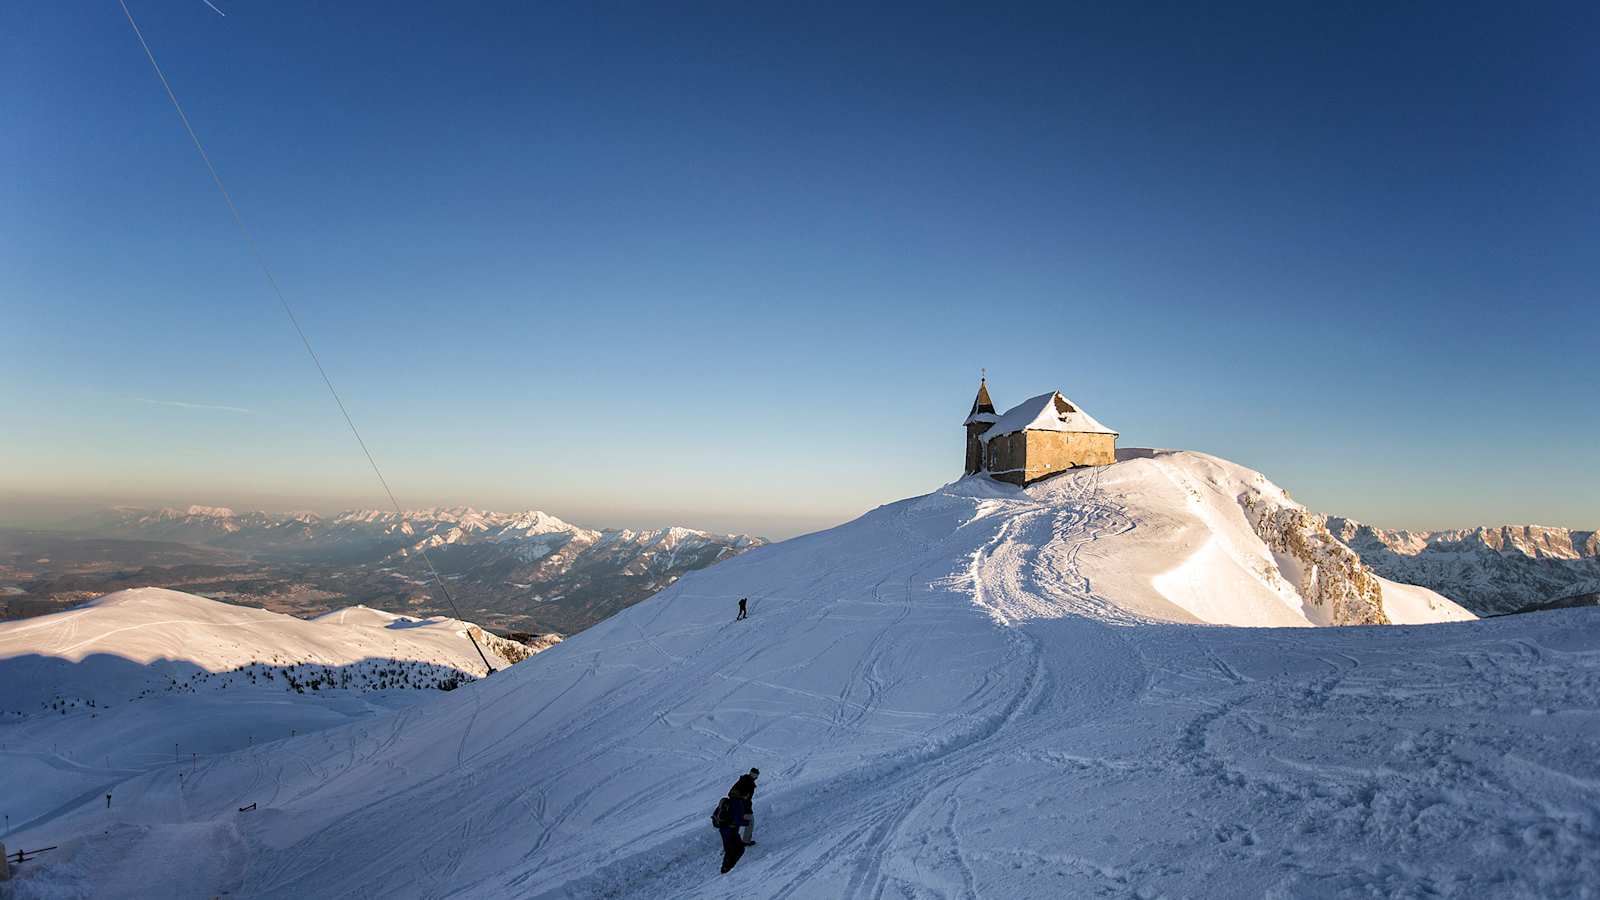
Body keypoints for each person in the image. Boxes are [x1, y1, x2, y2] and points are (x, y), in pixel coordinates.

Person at [716, 789, 754, 873]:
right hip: (731, 830)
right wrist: (747, 822)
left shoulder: (727, 801)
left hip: (723, 829)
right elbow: (737, 820)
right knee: (739, 849)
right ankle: (728, 869)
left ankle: (725, 868)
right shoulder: (738, 804)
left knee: (729, 849)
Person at [729, 767, 759, 845]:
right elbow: (746, 799)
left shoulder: (742, 780)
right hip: (741, 808)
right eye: (756, 775)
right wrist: (748, 810)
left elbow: (730, 793)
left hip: (733, 807)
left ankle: (732, 841)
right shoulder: (749, 784)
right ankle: (745, 841)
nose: (756, 777)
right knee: (750, 821)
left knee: (737, 823)